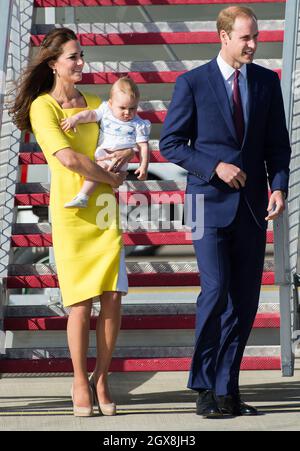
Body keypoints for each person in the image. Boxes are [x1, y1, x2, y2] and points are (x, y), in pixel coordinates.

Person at [160, 6, 291, 418]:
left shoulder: (267, 82)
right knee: (216, 292)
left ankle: (227, 388)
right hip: (205, 202)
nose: (253, 44)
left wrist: (279, 187)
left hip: (252, 207)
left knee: (245, 300)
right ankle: (202, 386)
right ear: (223, 36)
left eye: (256, 37)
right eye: (246, 38)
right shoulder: (192, 83)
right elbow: (172, 143)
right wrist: (214, 166)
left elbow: (278, 147)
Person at [10, 27, 134, 417]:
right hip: (70, 213)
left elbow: (122, 139)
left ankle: (101, 377)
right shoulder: (42, 108)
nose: (81, 62)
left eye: (82, 56)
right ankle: (80, 379)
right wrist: (109, 175)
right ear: (53, 64)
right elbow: (67, 159)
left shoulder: (97, 102)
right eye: (73, 57)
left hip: (104, 211)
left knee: (113, 298)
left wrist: (122, 161)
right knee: (80, 304)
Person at [61, 76, 151, 208]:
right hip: (104, 153)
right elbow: (90, 115)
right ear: (110, 103)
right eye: (122, 108)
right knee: (98, 170)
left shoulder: (138, 123)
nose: (127, 113)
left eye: (133, 108)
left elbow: (143, 146)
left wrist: (143, 166)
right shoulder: (106, 111)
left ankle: (83, 196)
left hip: (120, 161)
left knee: (100, 169)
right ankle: (92, 195)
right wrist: (75, 119)